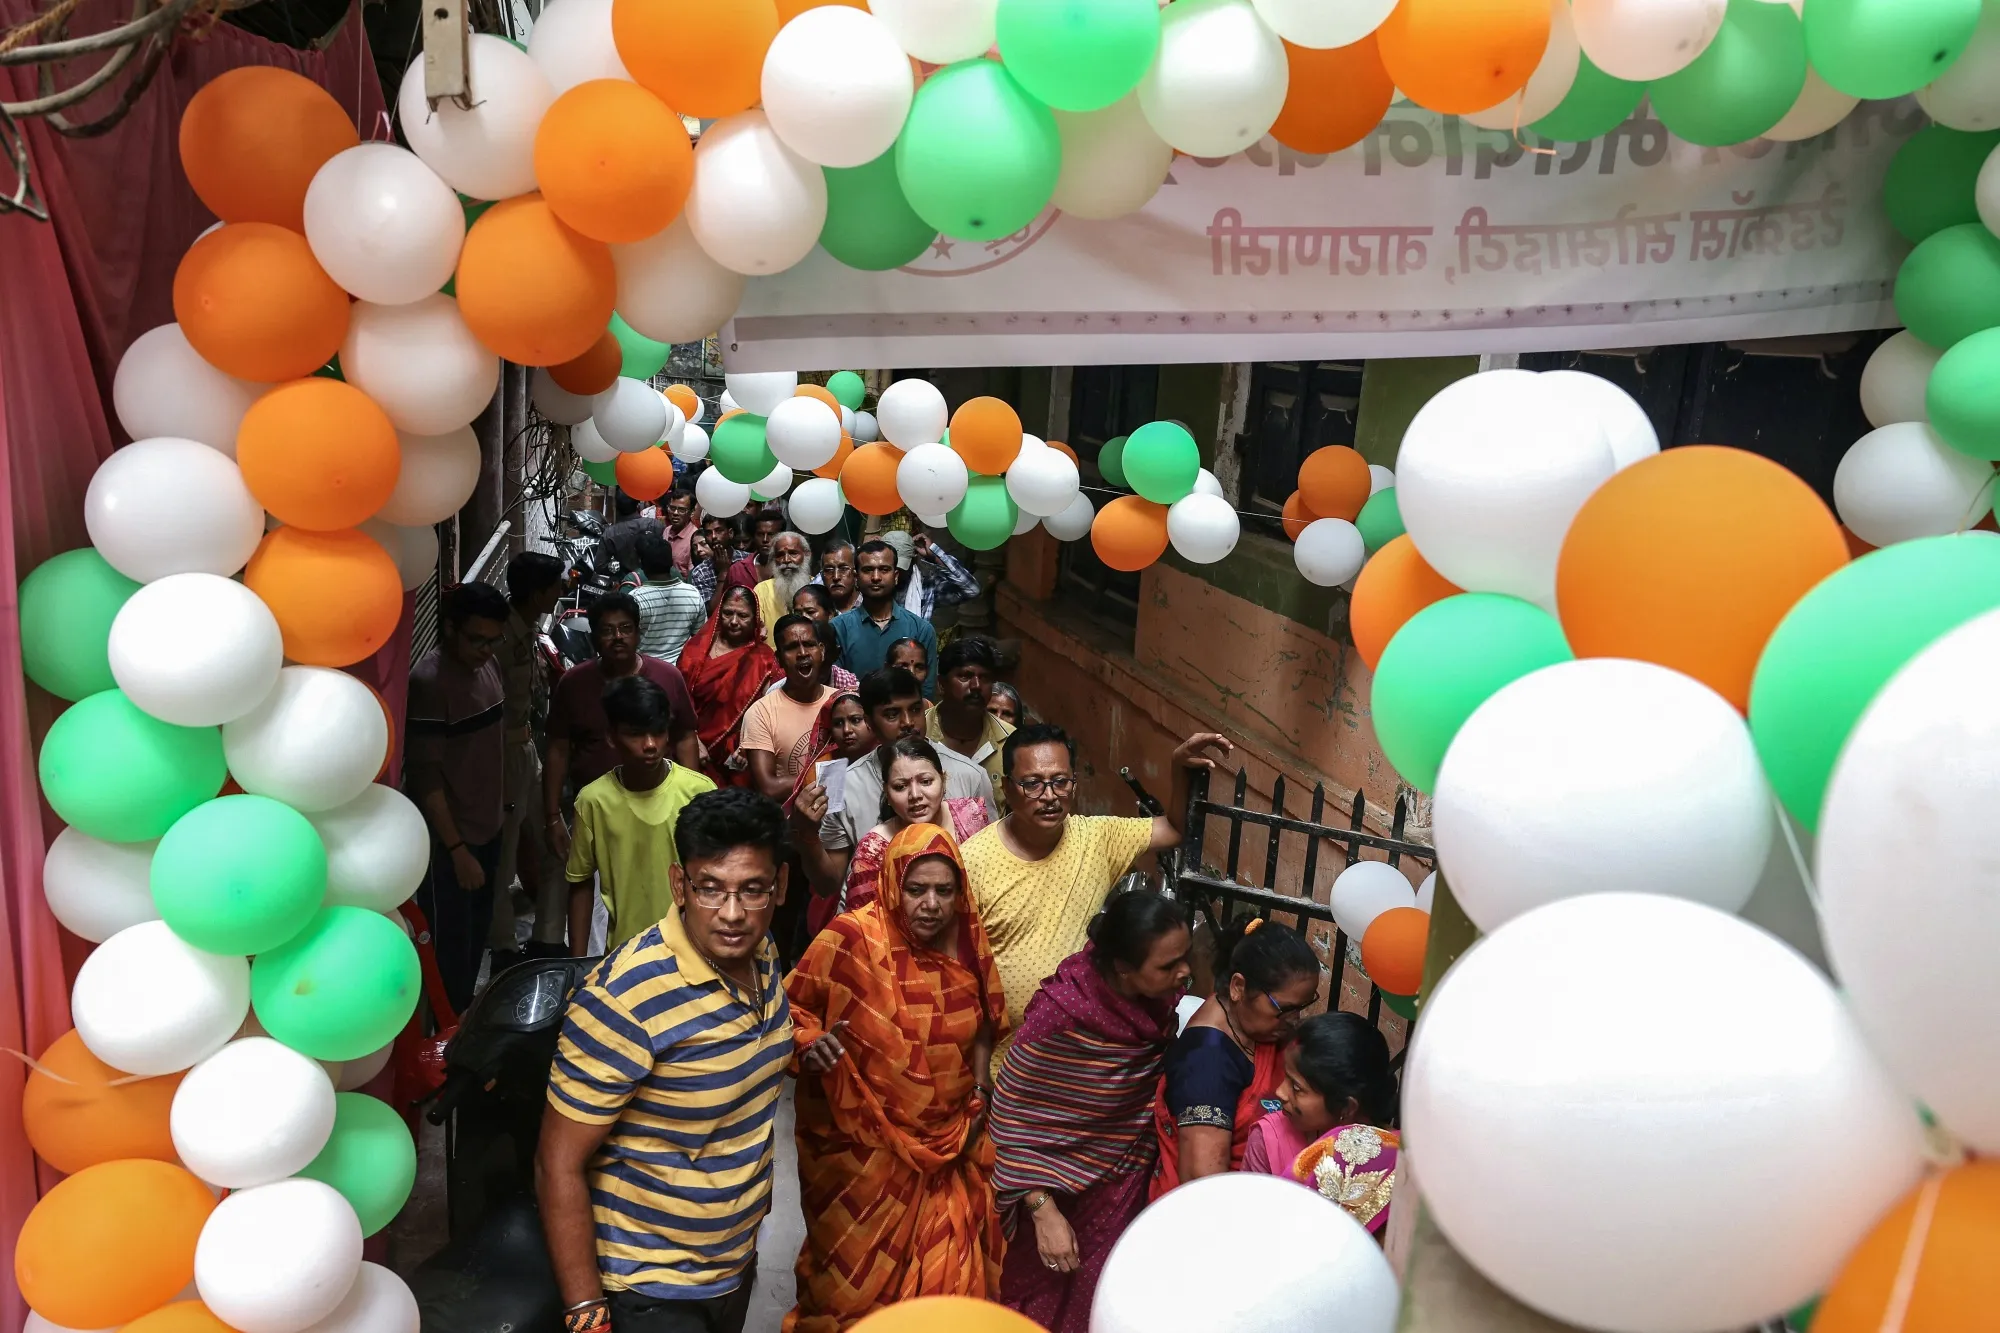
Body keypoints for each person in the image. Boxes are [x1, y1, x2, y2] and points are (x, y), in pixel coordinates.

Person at [538, 789, 794, 1333]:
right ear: (680, 885)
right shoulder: (624, 999)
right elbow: (556, 1163)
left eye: (752, 891)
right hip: (650, 1286)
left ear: (781, 888)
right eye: (710, 890)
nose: (732, 914)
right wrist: (587, 1314)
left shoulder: (764, 952)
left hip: (732, 1263)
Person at [784, 823, 1009, 1331]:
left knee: (944, 1279)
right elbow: (791, 1009)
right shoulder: (851, 938)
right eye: (916, 889)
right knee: (848, 1285)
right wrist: (809, 1047)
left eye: (944, 891)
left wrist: (978, 1092)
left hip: (951, 1144)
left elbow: (984, 1029)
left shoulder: (967, 945)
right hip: (861, 1150)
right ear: (891, 885)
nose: (930, 904)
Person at [991, 893, 1193, 1332]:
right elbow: (1010, 1113)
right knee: (1038, 1304)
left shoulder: (1156, 1001)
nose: (1185, 974)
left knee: (1104, 1302)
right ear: (1122, 967)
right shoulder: (1060, 1017)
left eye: (1186, 957)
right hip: (1056, 1196)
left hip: (1124, 1182)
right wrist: (1043, 1210)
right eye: (1168, 966)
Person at [963, 722, 1231, 1053]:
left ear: (1074, 785)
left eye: (1060, 782)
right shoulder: (973, 861)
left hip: (1089, 1051)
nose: (1049, 796)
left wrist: (1177, 766)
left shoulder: (1096, 838)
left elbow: (1173, 830)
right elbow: (958, 975)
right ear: (1006, 786)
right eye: (1032, 784)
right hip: (1007, 1056)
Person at [1150, 917, 1321, 1197]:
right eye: (1284, 1008)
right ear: (1238, 987)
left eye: (1304, 1006)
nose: (1294, 1020)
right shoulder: (1206, 1065)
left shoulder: (1251, 1026)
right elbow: (1204, 1190)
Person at [793, 667, 995, 894]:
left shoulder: (970, 775)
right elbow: (828, 886)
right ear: (869, 721)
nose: (908, 722)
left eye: (916, 709)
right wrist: (807, 836)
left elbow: (989, 870)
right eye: (892, 714)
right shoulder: (843, 785)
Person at [407, 581, 512, 1016]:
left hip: (489, 830)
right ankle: (446, 1039)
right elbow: (426, 778)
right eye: (476, 640)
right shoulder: (429, 683)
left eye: (493, 640)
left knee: (475, 941)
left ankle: (464, 1021)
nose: (486, 649)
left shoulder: (488, 666)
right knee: (449, 950)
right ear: (449, 629)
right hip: (454, 846)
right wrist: (456, 849)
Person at [564, 677, 717, 955]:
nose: (650, 744)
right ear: (611, 737)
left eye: (657, 732)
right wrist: (576, 966)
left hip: (692, 950)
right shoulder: (593, 801)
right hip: (625, 954)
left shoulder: (699, 791)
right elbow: (580, 883)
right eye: (636, 734)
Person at [545, 593, 701, 861]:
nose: (618, 637)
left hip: (659, 806)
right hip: (597, 812)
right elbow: (558, 749)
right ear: (593, 637)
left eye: (625, 628)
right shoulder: (573, 684)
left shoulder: (667, 677)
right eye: (607, 630)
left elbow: (686, 737)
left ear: (638, 633)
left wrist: (689, 801)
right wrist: (552, 816)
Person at [799, 734, 993, 918]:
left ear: (943, 781)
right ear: (887, 794)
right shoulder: (874, 848)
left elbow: (993, 887)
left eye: (926, 782)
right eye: (900, 787)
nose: (915, 795)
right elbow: (866, 925)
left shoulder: (970, 816)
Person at [1240, 1011, 1399, 1235]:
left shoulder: (1398, 1162)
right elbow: (1254, 1230)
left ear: (1347, 1107)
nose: (1280, 1092)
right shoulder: (1268, 1140)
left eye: (1296, 1088)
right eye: (1285, 1077)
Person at [493, 551, 569, 963]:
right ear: (539, 593)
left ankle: (548, 938)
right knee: (505, 855)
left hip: (527, 751)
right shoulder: (502, 638)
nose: (563, 592)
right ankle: (504, 946)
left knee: (555, 840)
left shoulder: (529, 633)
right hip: (504, 756)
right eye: (556, 586)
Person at [679, 585, 782, 787]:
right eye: (728, 613)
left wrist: (747, 745)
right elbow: (677, 699)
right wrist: (692, 739)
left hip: (737, 758)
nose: (734, 621)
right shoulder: (696, 648)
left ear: (755, 619)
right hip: (689, 748)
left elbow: (771, 711)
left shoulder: (764, 660)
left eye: (742, 615)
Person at [739, 614, 836, 803]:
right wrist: (835, 780)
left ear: (822, 651)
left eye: (809, 644)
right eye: (792, 647)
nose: (802, 653)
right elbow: (768, 787)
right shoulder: (761, 713)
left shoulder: (840, 701)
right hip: (791, 825)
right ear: (779, 659)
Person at [831, 541, 938, 698]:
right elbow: (835, 691)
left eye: (884, 569)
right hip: (856, 719)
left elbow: (926, 694)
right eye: (868, 570)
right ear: (856, 577)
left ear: (895, 576)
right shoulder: (838, 628)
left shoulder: (921, 629)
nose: (876, 577)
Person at [927, 636, 1014, 813]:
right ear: (941, 684)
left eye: (985, 678)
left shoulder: (1010, 741)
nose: (976, 686)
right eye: (965, 676)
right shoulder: (918, 733)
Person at [629, 532, 708, 664]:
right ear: (671, 562)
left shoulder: (634, 599)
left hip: (645, 672)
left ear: (641, 564)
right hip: (680, 671)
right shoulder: (692, 593)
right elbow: (700, 637)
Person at [879, 529, 982, 624]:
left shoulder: (926, 587)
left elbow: (972, 589)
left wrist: (936, 556)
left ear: (913, 561)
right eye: (887, 569)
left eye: (900, 569)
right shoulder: (869, 584)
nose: (895, 574)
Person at [791, 588, 859, 692]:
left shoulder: (848, 682)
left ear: (830, 614)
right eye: (798, 614)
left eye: (810, 612)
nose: (804, 618)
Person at [754, 532, 813, 648]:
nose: (786, 560)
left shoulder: (817, 585)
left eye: (793, 553)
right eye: (780, 555)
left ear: (806, 555)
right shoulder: (762, 590)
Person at [599, 491, 664, 578]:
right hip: (653, 581)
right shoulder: (655, 525)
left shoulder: (609, 533)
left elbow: (600, 566)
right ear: (637, 505)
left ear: (615, 506)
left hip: (624, 582)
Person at [725, 506, 786, 595]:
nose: (765, 539)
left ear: (782, 536)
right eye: (760, 534)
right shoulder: (738, 570)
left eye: (771, 534)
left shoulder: (789, 569)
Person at [813, 538, 861, 616]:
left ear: (855, 572)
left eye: (843, 569)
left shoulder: (870, 604)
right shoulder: (816, 611)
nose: (836, 577)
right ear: (821, 575)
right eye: (829, 570)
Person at [662, 485, 699, 573]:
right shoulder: (667, 531)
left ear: (692, 512)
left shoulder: (694, 538)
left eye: (681, 510)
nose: (675, 513)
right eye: (672, 508)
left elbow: (693, 574)